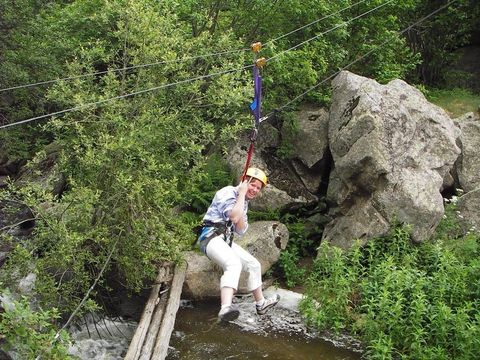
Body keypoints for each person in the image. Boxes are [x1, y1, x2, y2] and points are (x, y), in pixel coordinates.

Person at [197, 167, 280, 322]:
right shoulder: (227, 192)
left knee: (253, 264)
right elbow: (234, 217)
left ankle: (260, 304)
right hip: (209, 238)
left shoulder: (244, 202)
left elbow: (241, 229)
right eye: (252, 185)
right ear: (244, 181)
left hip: (225, 240)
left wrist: (241, 200)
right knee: (233, 263)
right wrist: (240, 194)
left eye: (258, 188)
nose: (254, 190)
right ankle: (225, 308)